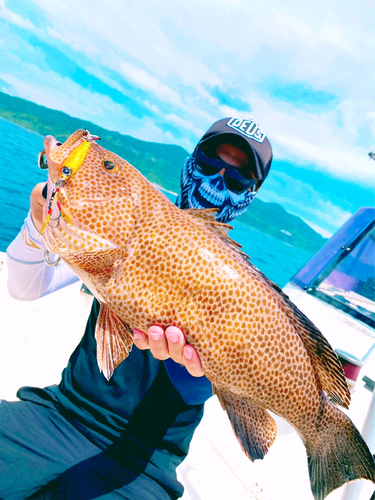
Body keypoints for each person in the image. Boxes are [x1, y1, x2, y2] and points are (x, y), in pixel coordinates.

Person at [3, 117, 272, 499]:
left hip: (145, 463)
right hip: (60, 412)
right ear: (190, 161)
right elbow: (23, 288)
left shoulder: (242, 286)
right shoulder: (127, 219)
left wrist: (192, 366)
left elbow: (196, 392)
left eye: (237, 178)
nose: (217, 180)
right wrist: (37, 222)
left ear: (251, 193)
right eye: (211, 164)